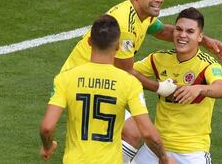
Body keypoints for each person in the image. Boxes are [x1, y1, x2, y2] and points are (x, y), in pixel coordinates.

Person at [60, 0, 222, 163]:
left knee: (122, 133)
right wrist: (160, 87)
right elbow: (127, 71)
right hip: (85, 81)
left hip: (96, 78)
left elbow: (163, 31)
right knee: (133, 132)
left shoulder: (142, 16)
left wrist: (204, 39)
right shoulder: (126, 25)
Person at [39, 15, 174, 164]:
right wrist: (164, 158)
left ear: (89, 42)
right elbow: (149, 133)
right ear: (117, 46)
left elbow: (47, 127)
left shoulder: (65, 79)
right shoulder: (129, 82)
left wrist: (48, 146)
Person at [131, 7, 222, 164]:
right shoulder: (158, 58)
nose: (183, 35)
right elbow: (126, 72)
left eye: (190, 31)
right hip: (156, 147)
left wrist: (199, 88)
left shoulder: (208, 65)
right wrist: (156, 86)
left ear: (200, 37)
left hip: (192, 152)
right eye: (179, 29)